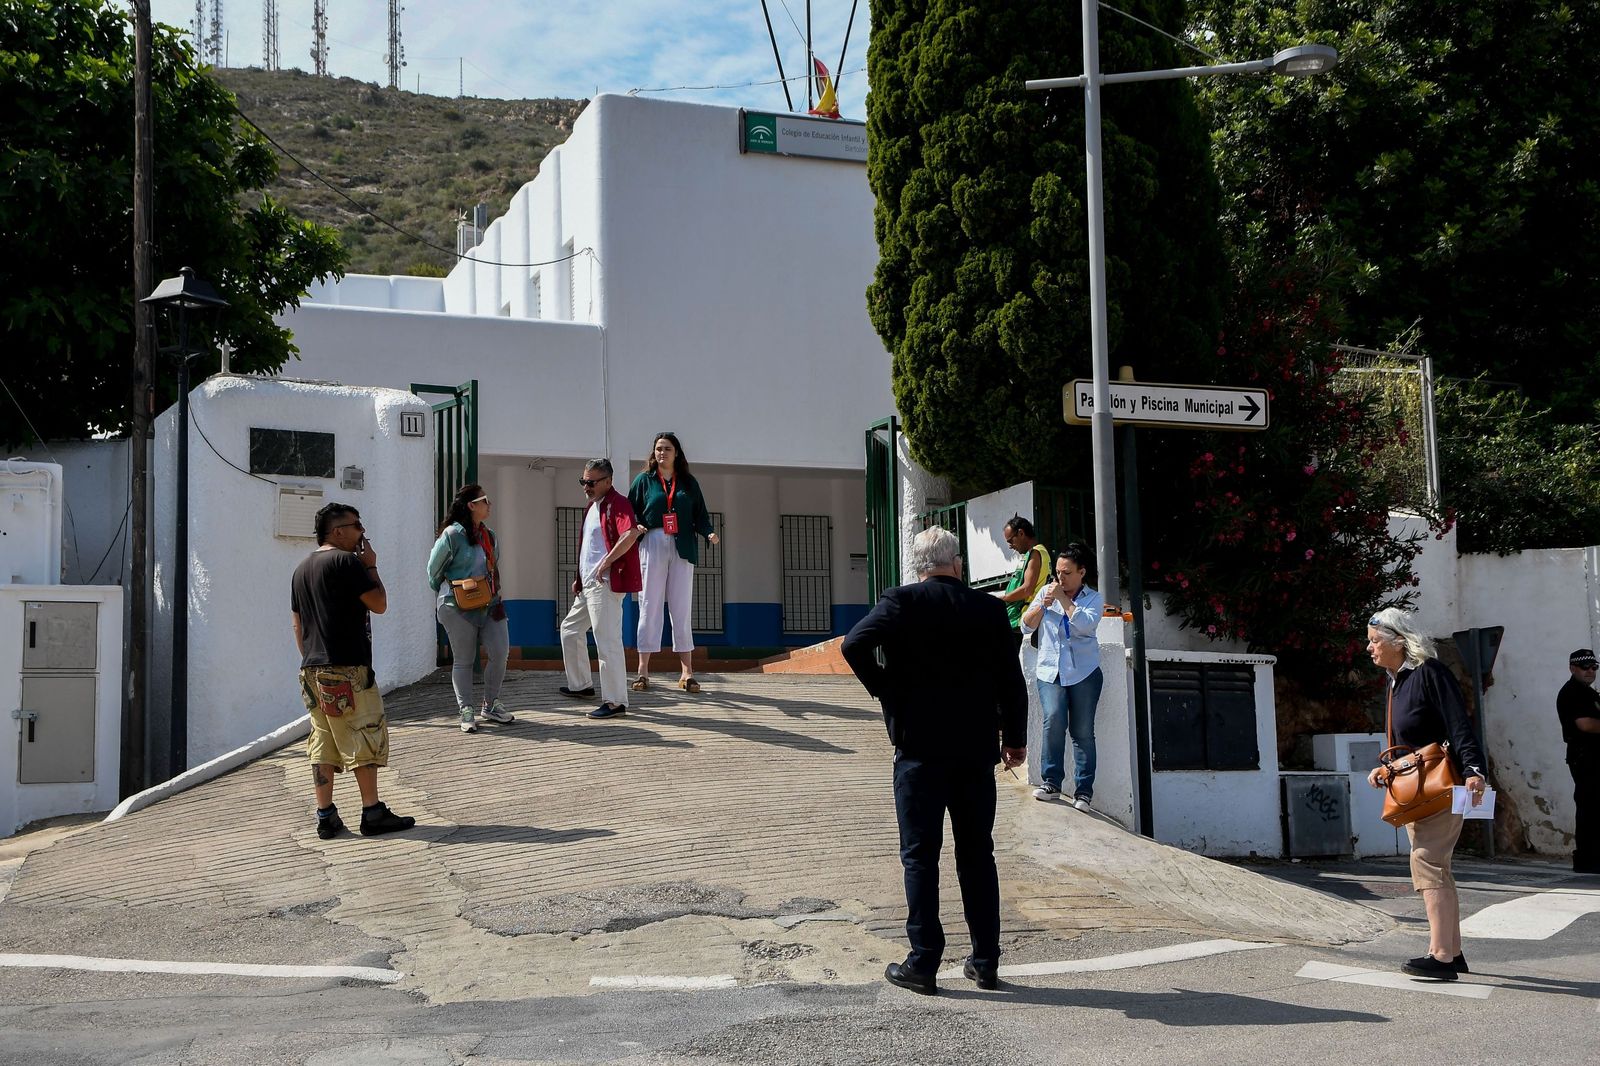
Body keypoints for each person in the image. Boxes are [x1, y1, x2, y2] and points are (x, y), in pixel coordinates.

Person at [841, 526, 1027, 995]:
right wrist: (1016, 738)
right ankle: (985, 960)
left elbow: (852, 645)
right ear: (957, 565)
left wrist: (888, 691)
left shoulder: (902, 602)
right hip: (974, 751)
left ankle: (924, 962)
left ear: (918, 567)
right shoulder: (988, 609)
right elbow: (1012, 679)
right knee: (977, 855)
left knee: (921, 857)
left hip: (919, 750)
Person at [1363, 607, 1488, 980]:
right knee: (1438, 868)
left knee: (1427, 862)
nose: (1369, 649)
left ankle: (1441, 957)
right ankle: (1454, 951)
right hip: (1418, 789)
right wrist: (1386, 769)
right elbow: (1409, 745)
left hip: (1441, 786)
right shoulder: (1396, 681)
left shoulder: (1429, 673)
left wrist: (1475, 771)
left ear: (1398, 642)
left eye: (1374, 642)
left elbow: (1458, 723)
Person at [290, 502, 415, 840]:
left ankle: (326, 815)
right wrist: (371, 567)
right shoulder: (347, 562)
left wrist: (315, 660)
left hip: (312, 669)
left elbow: (297, 624)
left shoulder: (301, 569)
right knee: (365, 733)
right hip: (347, 667)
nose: (362, 532)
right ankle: (372, 811)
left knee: (323, 741)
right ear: (338, 531)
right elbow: (379, 603)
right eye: (357, 526)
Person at [627, 432, 719, 692]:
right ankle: (643, 671)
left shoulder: (689, 483)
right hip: (653, 542)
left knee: (681, 607)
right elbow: (630, 509)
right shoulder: (644, 481)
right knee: (648, 605)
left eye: (666, 448)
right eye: (658, 448)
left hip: (683, 545)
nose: (661, 453)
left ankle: (687, 672)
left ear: (676, 452)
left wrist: (708, 532)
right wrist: (637, 524)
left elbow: (700, 514)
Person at [1020, 543, 1105, 811]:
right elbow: (1025, 625)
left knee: (1082, 732)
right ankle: (1051, 782)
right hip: (1050, 671)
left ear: (1082, 572)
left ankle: (1083, 792)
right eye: (1057, 572)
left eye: (1067, 573)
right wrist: (1042, 606)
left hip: (1084, 672)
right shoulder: (1047, 592)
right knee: (1054, 718)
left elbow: (1083, 624)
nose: (1060, 578)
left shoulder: (1094, 599)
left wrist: (1063, 600)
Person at [560, 459, 643, 719]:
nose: (586, 486)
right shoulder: (592, 507)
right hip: (588, 585)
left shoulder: (618, 502)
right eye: (583, 481)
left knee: (607, 643)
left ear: (608, 481)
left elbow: (630, 533)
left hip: (605, 584)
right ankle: (581, 685)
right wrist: (579, 577)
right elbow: (588, 547)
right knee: (570, 631)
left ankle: (616, 701)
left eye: (591, 482)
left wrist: (606, 563)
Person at [426, 484, 512, 734]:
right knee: (463, 660)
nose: (489, 505)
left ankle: (491, 704)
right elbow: (433, 572)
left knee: (500, 652)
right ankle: (466, 709)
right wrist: (454, 590)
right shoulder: (452, 535)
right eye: (485, 500)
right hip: (457, 605)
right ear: (471, 505)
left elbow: (493, 567)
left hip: (490, 603)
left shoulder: (490, 535)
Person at [1557, 648, 1600, 874]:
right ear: (1573, 668)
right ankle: (1587, 859)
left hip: (1592, 757)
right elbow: (1585, 724)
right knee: (1589, 807)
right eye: (1585, 667)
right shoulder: (1573, 692)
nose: (1590, 671)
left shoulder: (1588, 692)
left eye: (1594, 667)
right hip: (1585, 757)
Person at [995, 516, 1050, 643]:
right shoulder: (1039, 552)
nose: (1010, 546)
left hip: (1025, 617)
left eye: (1011, 541)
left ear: (1021, 533)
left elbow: (1027, 589)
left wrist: (1002, 599)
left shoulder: (1035, 553)